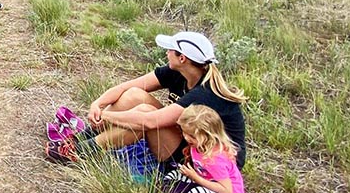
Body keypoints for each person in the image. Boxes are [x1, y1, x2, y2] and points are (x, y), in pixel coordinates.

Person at [58, 30, 247, 168]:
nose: (166, 53)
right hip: (189, 138)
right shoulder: (179, 72)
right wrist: (97, 104)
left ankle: (82, 151)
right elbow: (127, 87)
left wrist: (105, 117)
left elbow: (150, 121)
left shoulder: (205, 93)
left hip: (208, 160)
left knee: (144, 115)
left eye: (170, 50)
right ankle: (79, 141)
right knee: (134, 95)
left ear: (183, 58)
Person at [164, 105, 251, 193]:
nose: (186, 137)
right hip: (211, 188)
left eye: (191, 136)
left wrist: (196, 178)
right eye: (184, 132)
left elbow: (227, 191)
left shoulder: (215, 159)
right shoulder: (198, 146)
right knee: (176, 174)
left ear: (208, 136)